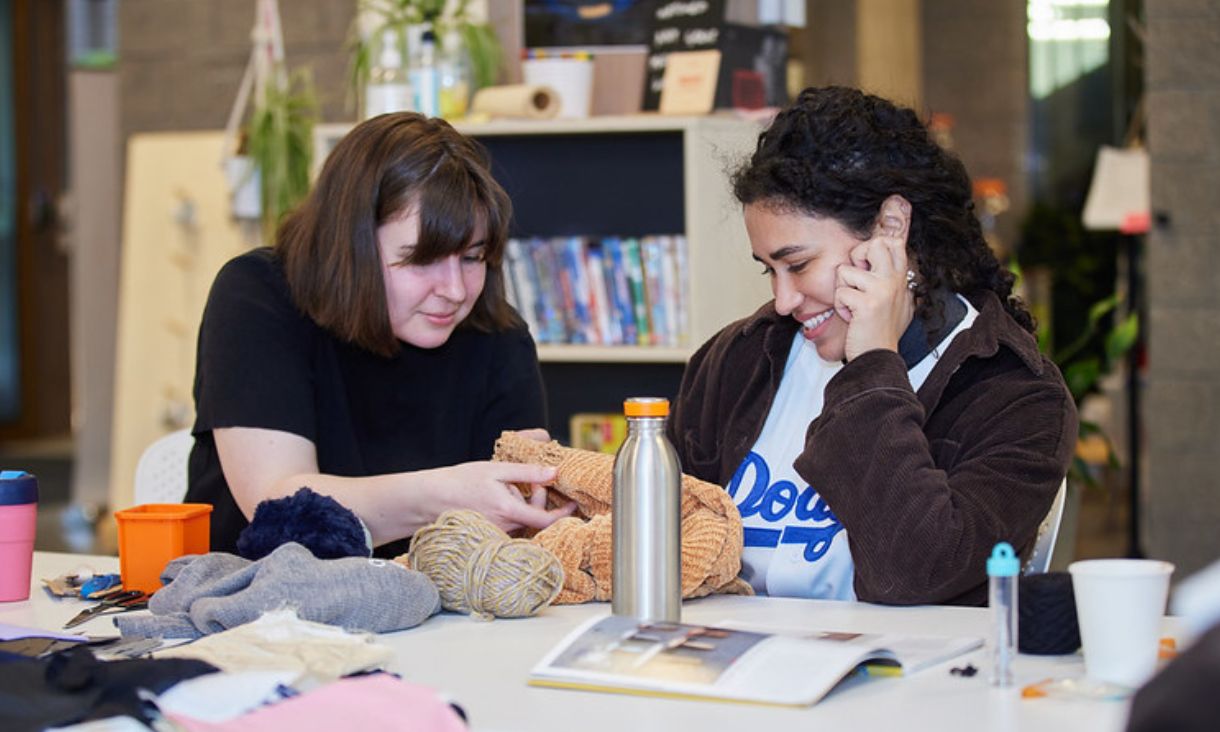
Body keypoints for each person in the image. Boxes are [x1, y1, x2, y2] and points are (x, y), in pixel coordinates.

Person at [668, 87, 1078, 606]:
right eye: (768, 270)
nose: (783, 299)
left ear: (890, 227)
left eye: (798, 265)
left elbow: (911, 574)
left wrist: (871, 366)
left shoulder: (1016, 397)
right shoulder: (740, 359)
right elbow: (668, 544)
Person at [186, 112, 574, 557]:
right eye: (421, 260)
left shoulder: (498, 334)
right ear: (352, 247)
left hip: (439, 615)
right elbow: (277, 506)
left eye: (472, 257)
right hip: (251, 605)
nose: (453, 290)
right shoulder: (258, 295)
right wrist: (443, 495)